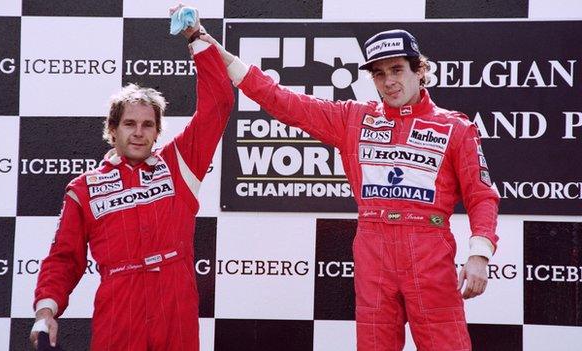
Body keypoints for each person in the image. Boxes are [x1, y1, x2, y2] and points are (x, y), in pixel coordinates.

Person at [202, 27, 499, 350]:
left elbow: (481, 195)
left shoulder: (455, 127)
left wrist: (479, 254)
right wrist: (222, 56)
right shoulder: (354, 119)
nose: (389, 82)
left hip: (429, 250)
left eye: (398, 70)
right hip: (373, 248)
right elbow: (284, 101)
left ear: (420, 70)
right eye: (379, 74)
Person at [29, 7, 234, 350]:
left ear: (157, 132)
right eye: (129, 124)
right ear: (112, 129)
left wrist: (197, 38)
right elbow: (64, 258)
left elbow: (219, 104)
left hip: (175, 309)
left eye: (148, 125)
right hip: (119, 311)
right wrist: (46, 309)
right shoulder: (84, 189)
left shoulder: (180, 164)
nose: (139, 133)